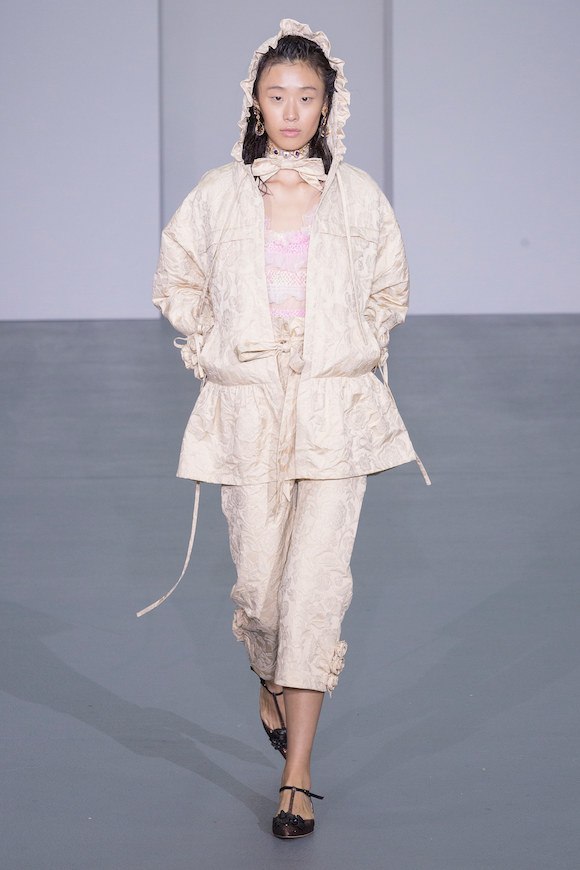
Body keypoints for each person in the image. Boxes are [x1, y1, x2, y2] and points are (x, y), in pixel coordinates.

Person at [138, 19, 430, 839]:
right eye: (278, 96)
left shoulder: (359, 196)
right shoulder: (219, 194)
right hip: (250, 410)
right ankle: (268, 679)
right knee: (263, 590)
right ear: (256, 104)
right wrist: (215, 348)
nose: (292, 111)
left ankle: (296, 774)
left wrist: (351, 348)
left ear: (328, 104)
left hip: (334, 411)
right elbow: (175, 278)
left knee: (314, 590)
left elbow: (391, 289)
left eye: (307, 96)